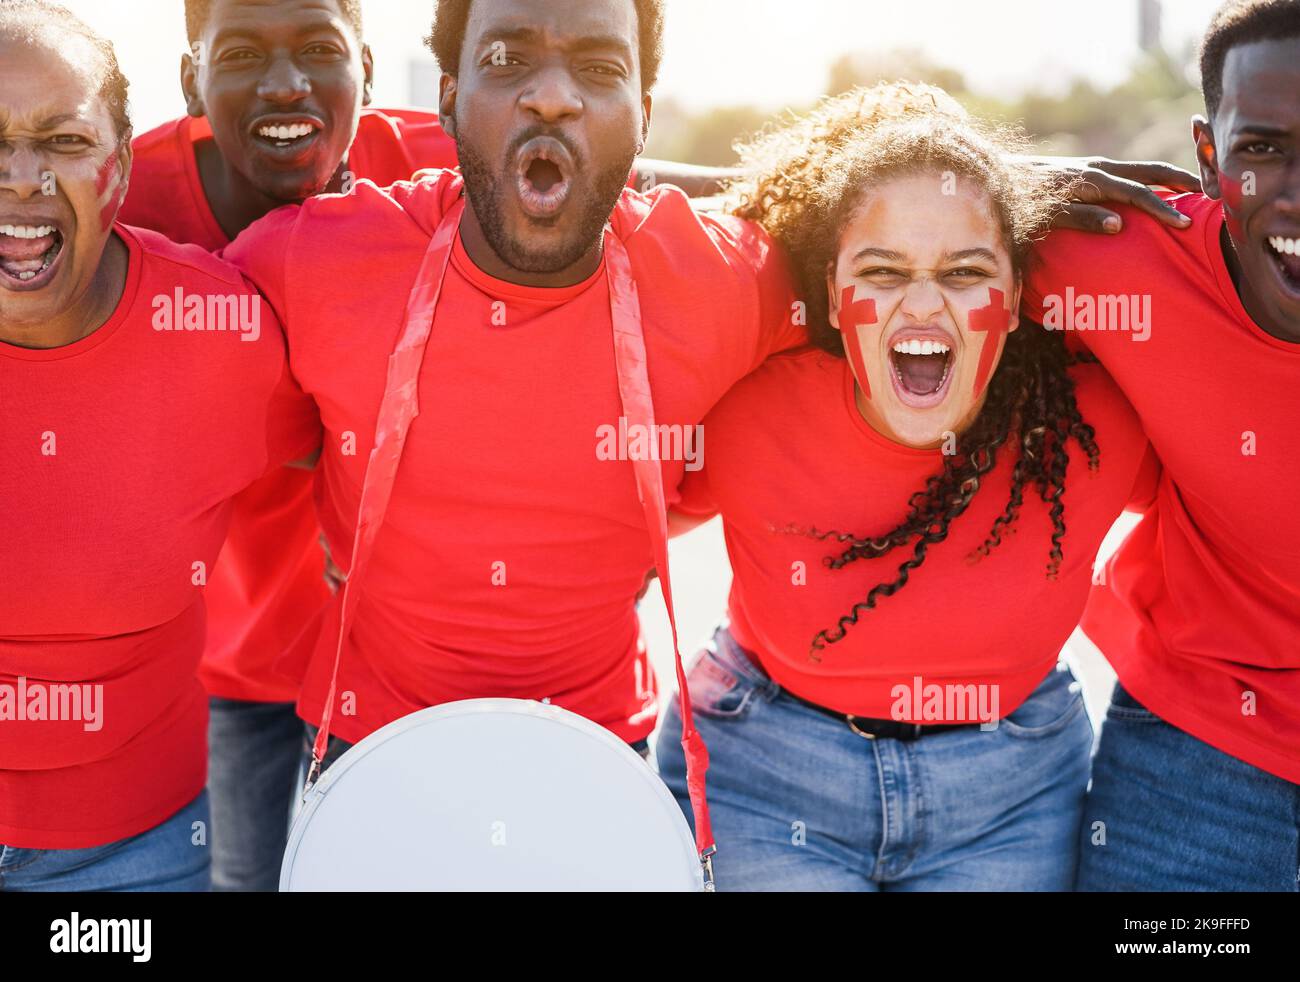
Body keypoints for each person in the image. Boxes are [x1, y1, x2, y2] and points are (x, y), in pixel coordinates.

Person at [120, 0, 739, 893]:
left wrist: (626, 515)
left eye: (321, 51)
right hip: (239, 640)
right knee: (247, 875)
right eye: (245, 53)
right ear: (191, 81)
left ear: (368, 70)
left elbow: (612, 178)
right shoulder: (125, 199)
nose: (286, 83)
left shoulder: (435, 154)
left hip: (398, 655)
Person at [653, 83, 1157, 891]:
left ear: (1018, 296)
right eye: (882, 271)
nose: (923, 304)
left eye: (965, 271)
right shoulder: (747, 404)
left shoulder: (1096, 422)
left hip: (1009, 796)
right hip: (766, 775)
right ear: (829, 293)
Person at [0, 0, 319, 891]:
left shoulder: (220, 334)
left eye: (63, 140)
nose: (22, 176)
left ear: (120, 163)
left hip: (133, 855)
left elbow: (342, 440)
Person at [1022, 0, 1300, 891]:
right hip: (1199, 756)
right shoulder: (1125, 257)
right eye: (1262, 149)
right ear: (1209, 155)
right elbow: (802, 206)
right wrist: (997, 176)